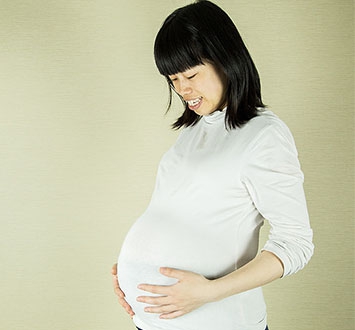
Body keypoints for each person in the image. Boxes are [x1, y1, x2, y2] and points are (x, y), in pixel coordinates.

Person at [111, 1, 314, 330]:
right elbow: (177, 216)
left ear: (226, 60)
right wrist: (131, 271)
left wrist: (208, 292)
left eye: (191, 74)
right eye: (173, 79)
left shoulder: (264, 135)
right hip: (156, 323)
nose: (182, 89)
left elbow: (296, 244)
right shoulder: (194, 129)